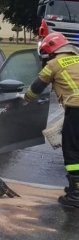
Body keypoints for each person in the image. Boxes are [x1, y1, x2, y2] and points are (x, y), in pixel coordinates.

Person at [19, 32, 79, 208]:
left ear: (50, 52)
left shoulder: (53, 65)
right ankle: (74, 188)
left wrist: (25, 99)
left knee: (73, 152)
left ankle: (76, 194)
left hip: (76, 109)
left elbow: (36, 88)